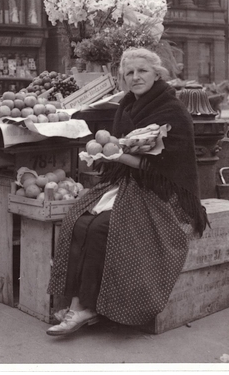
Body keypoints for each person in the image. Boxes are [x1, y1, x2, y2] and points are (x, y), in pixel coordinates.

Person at [46, 47, 209, 336]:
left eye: (142, 71)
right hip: (130, 182)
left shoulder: (172, 111)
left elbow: (163, 169)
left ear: (157, 73)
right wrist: (109, 156)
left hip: (163, 192)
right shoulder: (127, 105)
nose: (135, 77)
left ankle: (87, 307)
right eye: (129, 73)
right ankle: (78, 303)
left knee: (104, 226)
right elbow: (120, 149)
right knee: (79, 218)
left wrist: (115, 156)